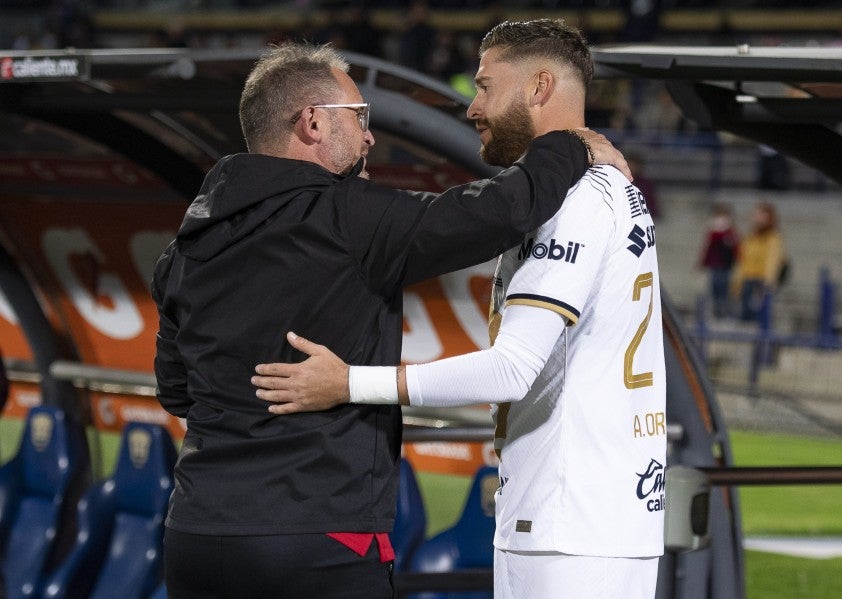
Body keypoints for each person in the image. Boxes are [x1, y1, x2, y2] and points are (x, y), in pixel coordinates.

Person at [152, 41, 628, 599]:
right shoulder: (345, 216)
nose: (370, 135)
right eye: (359, 118)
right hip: (317, 538)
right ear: (311, 123)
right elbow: (496, 211)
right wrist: (568, 144)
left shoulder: (185, 247)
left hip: (197, 536)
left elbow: (177, 391)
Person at [732, 200, 786, 322]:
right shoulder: (751, 237)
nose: (756, 218)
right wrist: (737, 282)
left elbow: (773, 261)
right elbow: (742, 260)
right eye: (755, 214)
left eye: (760, 215)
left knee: (758, 316)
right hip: (747, 279)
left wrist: (768, 282)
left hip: (761, 282)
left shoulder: (773, 238)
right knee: (745, 316)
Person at [699, 202, 739, 319]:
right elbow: (707, 249)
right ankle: (716, 310)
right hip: (715, 264)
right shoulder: (712, 233)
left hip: (726, 265)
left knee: (724, 287)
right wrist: (703, 263)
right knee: (714, 286)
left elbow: (736, 249)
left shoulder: (731, 232)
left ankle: (724, 311)